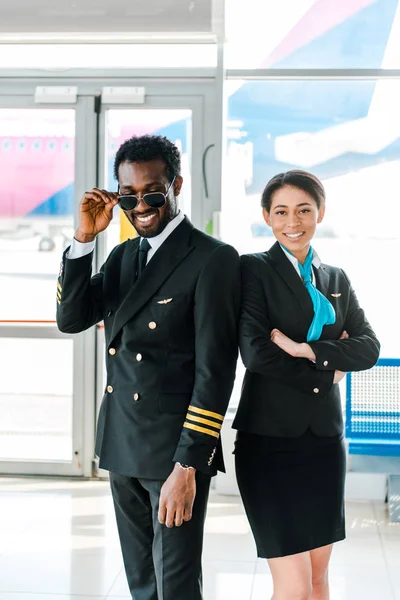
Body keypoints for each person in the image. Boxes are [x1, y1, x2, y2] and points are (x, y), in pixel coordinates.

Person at [56, 134, 240, 600]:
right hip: (122, 443)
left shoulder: (213, 258)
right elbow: (71, 318)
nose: (141, 205)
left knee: (175, 584)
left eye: (153, 192)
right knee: (142, 582)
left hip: (172, 455)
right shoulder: (122, 256)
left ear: (176, 185)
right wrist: (82, 240)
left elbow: (215, 372)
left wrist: (189, 465)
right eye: (128, 196)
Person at [233, 170, 380, 600]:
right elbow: (257, 353)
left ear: (320, 213)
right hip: (269, 442)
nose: (292, 221)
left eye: (303, 210)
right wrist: (331, 370)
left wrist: (306, 351)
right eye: (281, 211)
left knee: (318, 581)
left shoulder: (334, 278)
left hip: (323, 444)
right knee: (294, 587)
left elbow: (369, 347)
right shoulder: (253, 270)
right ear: (266, 216)